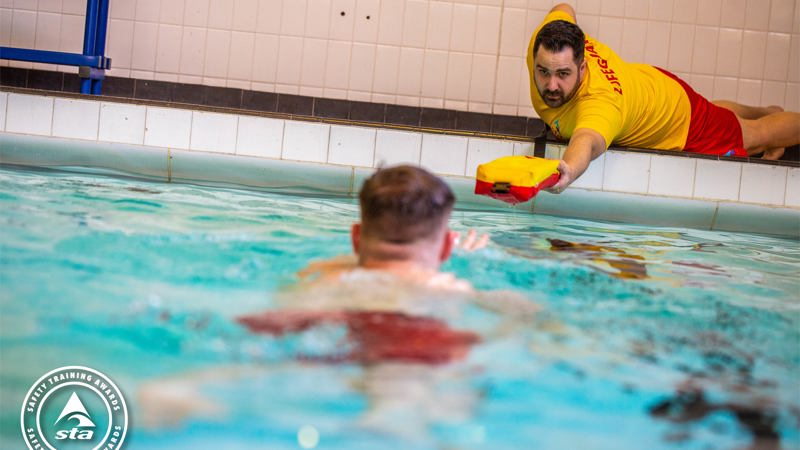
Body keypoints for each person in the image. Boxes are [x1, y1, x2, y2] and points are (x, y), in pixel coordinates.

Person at [528, 3, 800, 192]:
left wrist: (567, 172)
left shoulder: (600, 105)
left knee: (755, 135)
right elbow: (563, 8)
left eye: (563, 74)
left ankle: (774, 122)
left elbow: (585, 143)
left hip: (675, 117)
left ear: (583, 67)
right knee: (717, 115)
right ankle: (766, 109)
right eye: (543, 72)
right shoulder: (547, 40)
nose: (552, 85)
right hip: (648, 83)